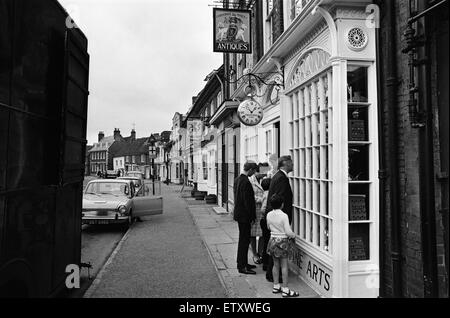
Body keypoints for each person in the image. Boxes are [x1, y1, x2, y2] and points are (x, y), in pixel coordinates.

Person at [264, 155, 294, 282]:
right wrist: (282, 220)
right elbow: (280, 199)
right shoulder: (282, 178)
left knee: (274, 251)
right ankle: (273, 276)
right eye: (291, 163)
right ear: (285, 164)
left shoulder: (277, 176)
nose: (293, 165)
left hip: (274, 218)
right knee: (277, 252)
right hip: (279, 220)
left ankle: (272, 275)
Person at [266, 194, 299, 297]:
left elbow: (268, 227)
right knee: (284, 266)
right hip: (282, 242)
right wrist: (294, 235)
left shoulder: (269, 214)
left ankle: (276, 286)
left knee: (275, 265)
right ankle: (285, 289)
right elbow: (288, 232)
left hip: (272, 240)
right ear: (282, 204)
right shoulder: (284, 216)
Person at [233, 161, 258, 275]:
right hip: (245, 216)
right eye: (253, 171)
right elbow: (248, 202)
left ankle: (242, 263)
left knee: (243, 240)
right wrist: (253, 216)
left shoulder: (238, 179)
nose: (253, 174)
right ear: (251, 169)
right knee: (244, 241)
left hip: (239, 214)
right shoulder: (245, 181)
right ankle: (242, 266)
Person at [249, 166, 264, 265]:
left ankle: (260, 253)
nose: (265, 174)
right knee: (253, 234)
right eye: (263, 172)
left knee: (263, 233)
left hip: (263, 211)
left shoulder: (265, 179)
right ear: (256, 172)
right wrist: (262, 199)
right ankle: (254, 254)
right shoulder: (250, 181)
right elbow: (250, 196)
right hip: (254, 210)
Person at [259, 177, 271, 269]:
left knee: (265, 240)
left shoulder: (264, 193)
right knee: (267, 241)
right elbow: (263, 209)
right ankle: (266, 263)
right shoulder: (268, 194)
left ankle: (264, 260)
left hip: (263, 220)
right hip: (265, 220)